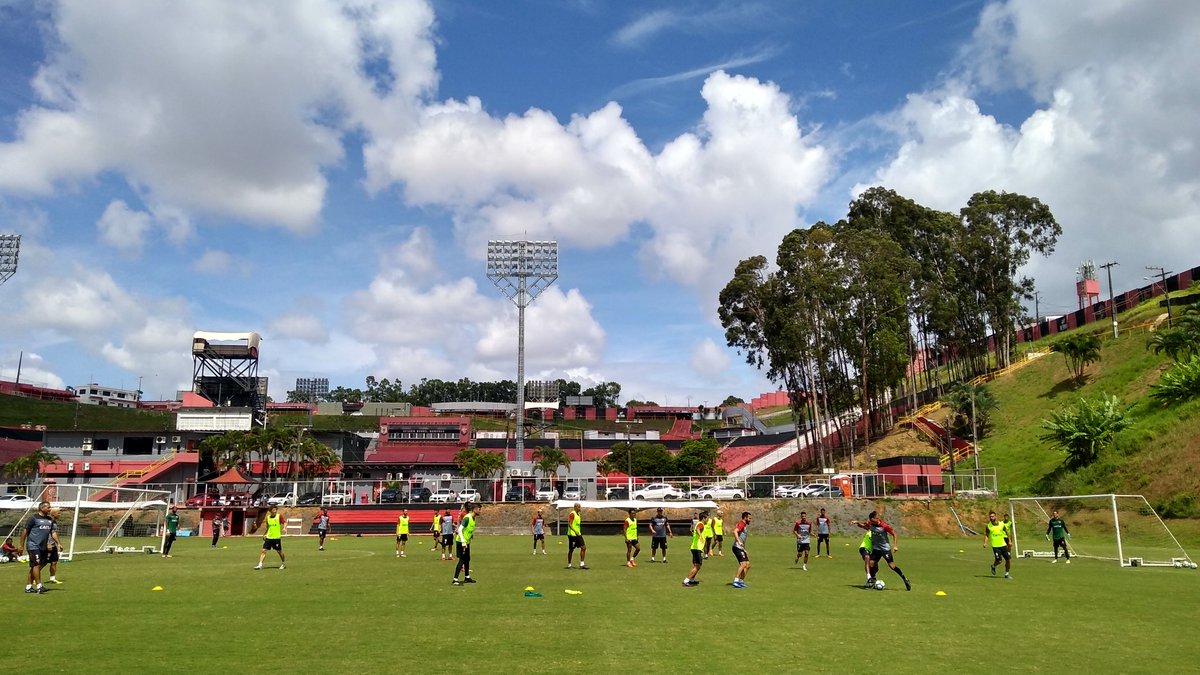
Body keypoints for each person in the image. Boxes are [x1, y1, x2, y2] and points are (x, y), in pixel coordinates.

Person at [851, 511, 911, 591]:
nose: (872, 522)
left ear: (876, 519)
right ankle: (872, 581)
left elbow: (894, 534)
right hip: (876, 549)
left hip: (885, 549)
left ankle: (905, 579)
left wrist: (895, 546)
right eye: (871, 520)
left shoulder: (884, 526)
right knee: (871, 564)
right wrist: (857, 522)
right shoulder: (870, 523)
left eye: (874, 520)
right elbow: (864, 526)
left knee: (891, 566)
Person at [19, 500, 54, 594]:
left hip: (43, 547)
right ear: (42, 508)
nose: (50, 509)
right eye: (48, 507)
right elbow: (24, 531)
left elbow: (49, 533)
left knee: (35, 566)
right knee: (36, 565)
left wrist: (49, 543)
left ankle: (28, 587)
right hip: (33, 546)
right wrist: (21, 545)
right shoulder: (33, 518)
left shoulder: (49, 520)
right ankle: (39, 586)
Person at [452, 502, 479, 585]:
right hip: (461, 542)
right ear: (474, 510)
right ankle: (455, 580)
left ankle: (467, 577)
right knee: (462, 560)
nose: (480, 511)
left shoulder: (473, 518)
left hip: (466, 542)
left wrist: (470, 536)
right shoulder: (467, 518)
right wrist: (463, 541)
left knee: (467, 559)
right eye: (479, 509)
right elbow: (460, 530)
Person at [255, 505, 286, 570]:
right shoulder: (268, 518)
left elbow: (284, 522)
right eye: (273, 510)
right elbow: (268, 527)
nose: (275, 511)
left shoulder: (279, 516)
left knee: (279, 551)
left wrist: (284, 528)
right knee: (263, 550)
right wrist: (265, 534)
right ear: (270, 511)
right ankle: (260, 564)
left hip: (276, 538)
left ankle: (283, 563)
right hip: (269, 537)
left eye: (275, 510)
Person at [985, 511, 1012, 579]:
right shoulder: (988, 526)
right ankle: (993, 566)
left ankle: (1007, 574)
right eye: (990, 517)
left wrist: (1009, 541)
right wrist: (985, 543)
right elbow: (987, 535)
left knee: (1008, 559)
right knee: (999, 561)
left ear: (996, 516)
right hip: (995, 546)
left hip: (1003, 545)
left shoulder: (1001, 524)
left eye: (993, 516)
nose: (991, 518)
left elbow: (1006, 532)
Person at [683, 511, 707, 587]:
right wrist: (700, 535)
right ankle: (686, 580)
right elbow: (698, 530)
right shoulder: (700, 524)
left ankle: (692, 580)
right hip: (697, 548)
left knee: (696, 565)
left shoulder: (699, 524)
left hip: (695, 547)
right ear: (703, 518)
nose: (707, 520)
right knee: (697, 566)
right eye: (707, 518)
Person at [731, 511, 752, 589]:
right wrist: (739, 541)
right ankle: (736, 581)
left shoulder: (744, 525)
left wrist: (744, 549)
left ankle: (741, 581)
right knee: (743, 564)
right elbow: (735, 531)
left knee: (748, 565)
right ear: (745, 518)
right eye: (749, 518)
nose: (750, 520)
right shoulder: (742, 524)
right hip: (737, 547)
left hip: (740, 548)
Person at [566, 502, 587, 569]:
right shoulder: (572, 514)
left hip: (578, 534)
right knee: (571, 550)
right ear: (575, 507)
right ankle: (569, 565)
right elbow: (569, 524)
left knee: (583, 547)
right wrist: (575, 531)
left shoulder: (578, 515)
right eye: (579, 507)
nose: (580, 508)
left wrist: (578, 532)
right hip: (572, 535)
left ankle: (582, 564)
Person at [45, 508, 62, 584]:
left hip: (53, 545)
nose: (60, 515)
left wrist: (58, 543)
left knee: (54, 562)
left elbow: (54, 533)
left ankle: (52, 578)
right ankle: (34, 579)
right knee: (43, 563)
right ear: (53, 514)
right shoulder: (48, 522)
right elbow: (44, 533)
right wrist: (47, 543)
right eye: (58, 513)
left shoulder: (54, 522)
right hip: (47, 545)